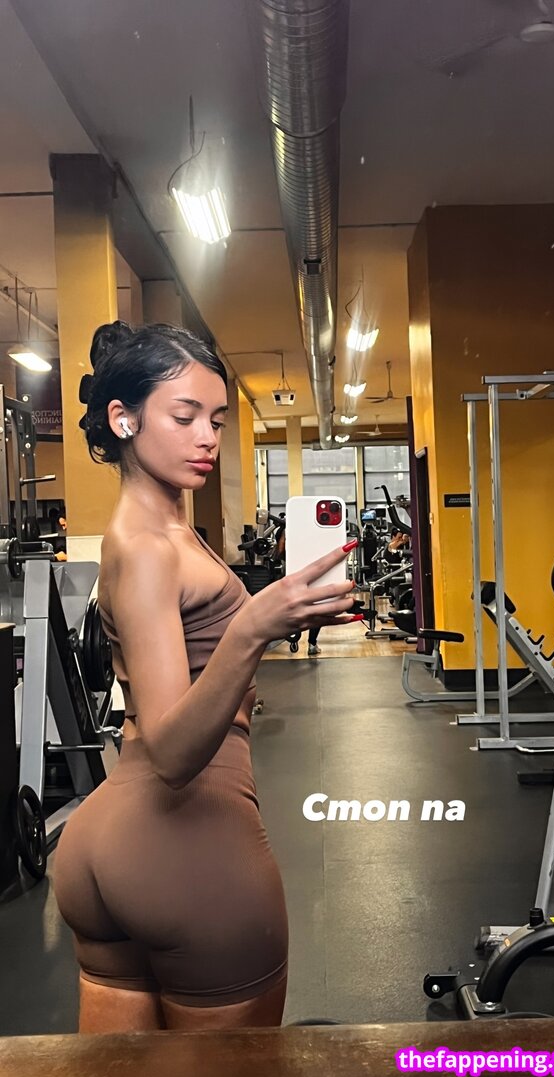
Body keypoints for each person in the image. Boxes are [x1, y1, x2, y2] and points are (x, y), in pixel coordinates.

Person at [53, 321, 361, 1034]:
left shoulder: (161, 528)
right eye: (184, 416)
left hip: (104, 845)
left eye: (216, 420)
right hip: (186, 848)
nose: (207, 438)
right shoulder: (148, 547)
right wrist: (254, 627)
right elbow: (172, 753)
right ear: (124, 420)